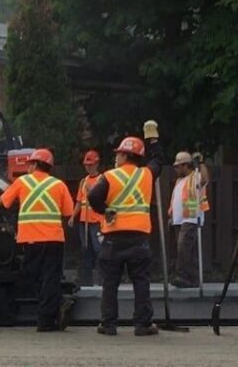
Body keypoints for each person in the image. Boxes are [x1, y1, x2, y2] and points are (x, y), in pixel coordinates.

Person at [87, 121, 164, 336]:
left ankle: (109, 324)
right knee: (141, 281)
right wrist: (153, 139)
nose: (116, 157)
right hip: (139, 238)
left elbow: (93, 196)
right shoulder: (146, 174)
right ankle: (143, 325)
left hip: (113, 237)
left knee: (110, 283)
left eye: (118, 154)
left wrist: (105, 210)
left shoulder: (110, 176)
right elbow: (158, 159)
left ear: (123, 156)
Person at [0, 148, 75, 331]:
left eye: (29, 164)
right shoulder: (59, 185)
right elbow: (68, 212)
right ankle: (47, 320)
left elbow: (4, 200)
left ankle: (54, 309)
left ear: (34, 165)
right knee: (50, 278)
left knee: (31, 276)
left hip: (31, 239)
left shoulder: (22, 182)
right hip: (54, 239)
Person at [168, 151, 210, 288]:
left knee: (184, 248)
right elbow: (177, 198)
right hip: (179, 220)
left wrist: (201, 163)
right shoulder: (180, 181)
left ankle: (184, 276)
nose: (175, 169)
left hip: (191, 218)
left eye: (178, 166)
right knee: (187, 250)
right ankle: (192, 278)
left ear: (186, 165)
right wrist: (171, 214)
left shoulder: (195, 176)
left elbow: (205, 179)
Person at [68, 150, 104, 285]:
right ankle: (86, 280)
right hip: (84, 221)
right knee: (85, 250)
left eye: (90, 164)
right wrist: (73, 216)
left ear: (96, 164)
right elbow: (79, 201)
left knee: (98, 249)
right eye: (86, 165)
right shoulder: (83, 181)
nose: (88, 167)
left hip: (97, 221)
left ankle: (101, 280)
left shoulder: (102, 179)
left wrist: (91, 192)